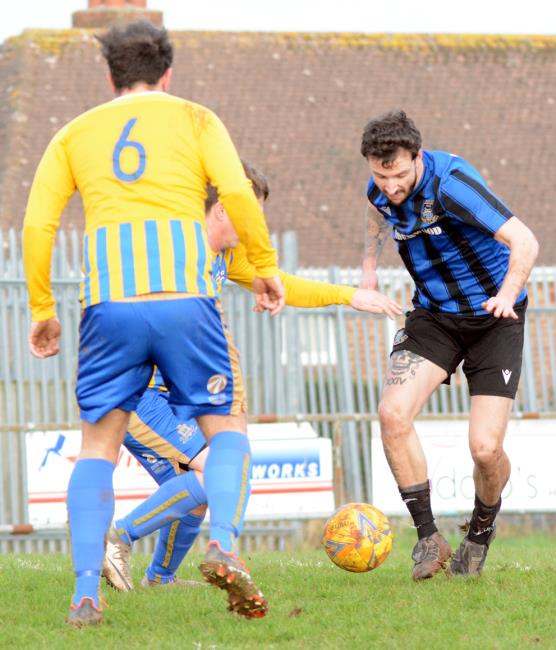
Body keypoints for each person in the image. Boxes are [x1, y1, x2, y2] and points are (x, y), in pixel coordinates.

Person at [22, 21, 285, 627]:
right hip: (186, 300)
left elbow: (38, 227)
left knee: (97, 449)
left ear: (108, 75)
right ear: (168, 73)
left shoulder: (73, 134)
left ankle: (86, 593)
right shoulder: (197, 118)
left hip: (109, 306)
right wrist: (265, 266)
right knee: (228, 432)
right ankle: (223, 540)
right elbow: (239, 196)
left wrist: (42, 310)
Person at [101, 160, 402, 593]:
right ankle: (118, 538)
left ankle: (160, 579)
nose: (257, 224)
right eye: (250, 212)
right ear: (222, 208)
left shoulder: (224, 256)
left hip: (172, 398)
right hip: (136, 395)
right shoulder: (175, 251)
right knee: (212, 475)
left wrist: (349, 295)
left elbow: (281, 283)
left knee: (197, 494)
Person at [359, 110, 539, 580]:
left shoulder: (451, 184)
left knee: (484, 450)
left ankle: (479, 534)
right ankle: (428, 538)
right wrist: (368, 272)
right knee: (392, 414)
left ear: (418, 157)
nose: (390, 185)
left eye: (399, 174)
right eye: (381, 174)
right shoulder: (379, 188)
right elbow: (377, 216)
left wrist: (504, 294)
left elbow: (525, 240)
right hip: (435, 317)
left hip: (495, 318)